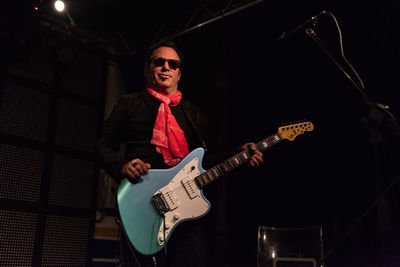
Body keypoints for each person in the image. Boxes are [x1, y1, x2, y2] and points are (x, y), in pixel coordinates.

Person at [97, 38, 264, 267]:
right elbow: (102, 147)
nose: (166, 67)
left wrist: (240, 154)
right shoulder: (129, 104)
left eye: (173, 64)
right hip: (142, 205)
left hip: (185, 213)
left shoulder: (193, 114)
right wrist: (123, 166)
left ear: (179, 74)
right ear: (147, 69)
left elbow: (205, 161)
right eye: (159, 62)